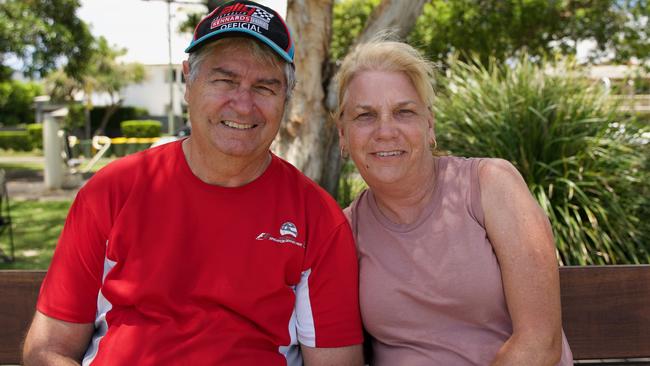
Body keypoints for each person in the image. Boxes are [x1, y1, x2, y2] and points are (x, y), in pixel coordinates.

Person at [22, 1, 364, 365]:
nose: (243, 104)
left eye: (265, 87)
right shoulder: (111, 192)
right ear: (189, 81)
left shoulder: (317, 218)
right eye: (224, 80)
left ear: (285, 98)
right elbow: (48, 349)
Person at [335, 39, 573, 365]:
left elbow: (540, 343)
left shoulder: (490, 186)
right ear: (342, 134)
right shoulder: (345, 229)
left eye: (404, 112)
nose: (385, 131)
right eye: (365, 116)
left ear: (429, 125)